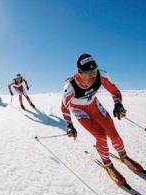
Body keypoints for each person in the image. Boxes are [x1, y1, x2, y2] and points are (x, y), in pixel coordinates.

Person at [61, 53, 144, 186]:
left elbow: (115, 91)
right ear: (80, 72)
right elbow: (64, 107)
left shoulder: (101, 75)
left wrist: (118, 104)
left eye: (94, 71)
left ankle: (124, 156)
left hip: (95, 107)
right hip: (81, 112)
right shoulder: (70, 87)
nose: (92, 75)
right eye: (88, 72)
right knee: (101, 136)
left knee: (115, 135)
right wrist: (69, 124)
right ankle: (108, 164)